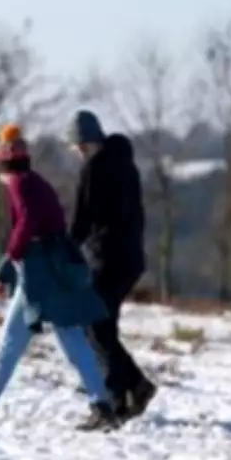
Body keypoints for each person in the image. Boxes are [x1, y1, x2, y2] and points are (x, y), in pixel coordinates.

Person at [0, 123, 121, 432]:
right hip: (50, 268)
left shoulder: (18, 184)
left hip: (39, 275)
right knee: (58, 339)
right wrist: (10, 265)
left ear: (3, 162)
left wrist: (12, 256)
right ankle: (100, 404)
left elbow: (26, 223)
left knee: (23, 341)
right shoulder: (35, 181)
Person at [67, 109, 157, 420]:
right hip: (130, 258)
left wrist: (65, 252)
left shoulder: (93, 168)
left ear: (83, 145)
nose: (79, 154)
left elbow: (82, 217)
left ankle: (124, 392)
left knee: (95, 327)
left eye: (78, 148)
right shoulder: (126, 164)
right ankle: (127, 390)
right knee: (103, 326)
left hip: (108, 258)